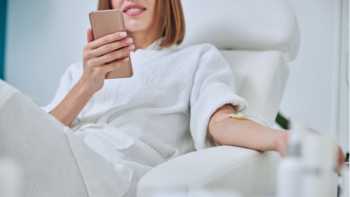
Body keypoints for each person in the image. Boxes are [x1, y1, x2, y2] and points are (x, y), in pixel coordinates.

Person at [0, 0, 344, 196]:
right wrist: (88, 84)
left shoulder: (195, 59)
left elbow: (221, 123)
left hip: (109, 173)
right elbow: (37, 133)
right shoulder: (83, 70)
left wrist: (286, 140)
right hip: (56, 157)